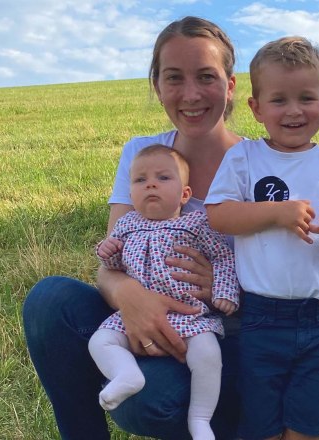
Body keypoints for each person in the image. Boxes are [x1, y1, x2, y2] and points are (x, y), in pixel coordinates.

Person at [23, 16, 245, 439]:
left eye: (206, 77)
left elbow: (285, 281)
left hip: (218, 339)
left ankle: (220, 418)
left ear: (231, 85)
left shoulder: (258, 165)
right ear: (157, 85)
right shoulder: (142, 154)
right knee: (49, 299)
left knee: (146, 405)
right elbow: (113, 260)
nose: (191, 94)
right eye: (174, 78)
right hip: (134, 320)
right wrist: (131, 298)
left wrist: (222, 282)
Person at [205, 36, 319, 440]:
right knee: (261, 413)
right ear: (256, 107)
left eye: (306, 97)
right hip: (262, 315)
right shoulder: (244, 158)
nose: (294, 110)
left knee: (309, 413)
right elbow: (220, 215)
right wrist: (276, 212)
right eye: (279, 100)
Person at [89, 145, 239, 440]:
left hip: (190, 316)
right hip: (135, 316)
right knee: (101, 341)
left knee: (208, 356)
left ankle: (200, 419)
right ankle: (126, 375)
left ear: (185, 195)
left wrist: (224, 292)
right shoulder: (126, 225)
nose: (151, 184)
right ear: (131, 195)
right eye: (140, 180)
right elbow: (114, 265)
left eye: (163, 178)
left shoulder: (196, 224)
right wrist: (107, 252)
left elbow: (223, 257)